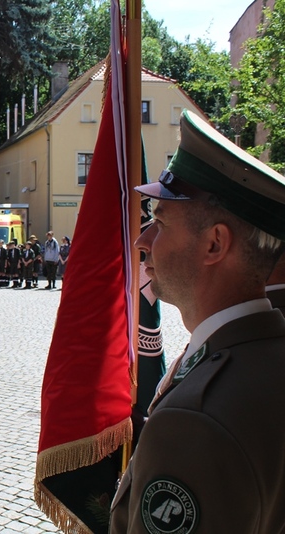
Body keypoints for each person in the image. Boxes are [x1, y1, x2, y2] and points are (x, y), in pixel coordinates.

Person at [110, 110, 285, 533]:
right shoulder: (266, 355)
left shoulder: (194, 423)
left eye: (160, 222)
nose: (142, 240)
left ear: (214, 243)